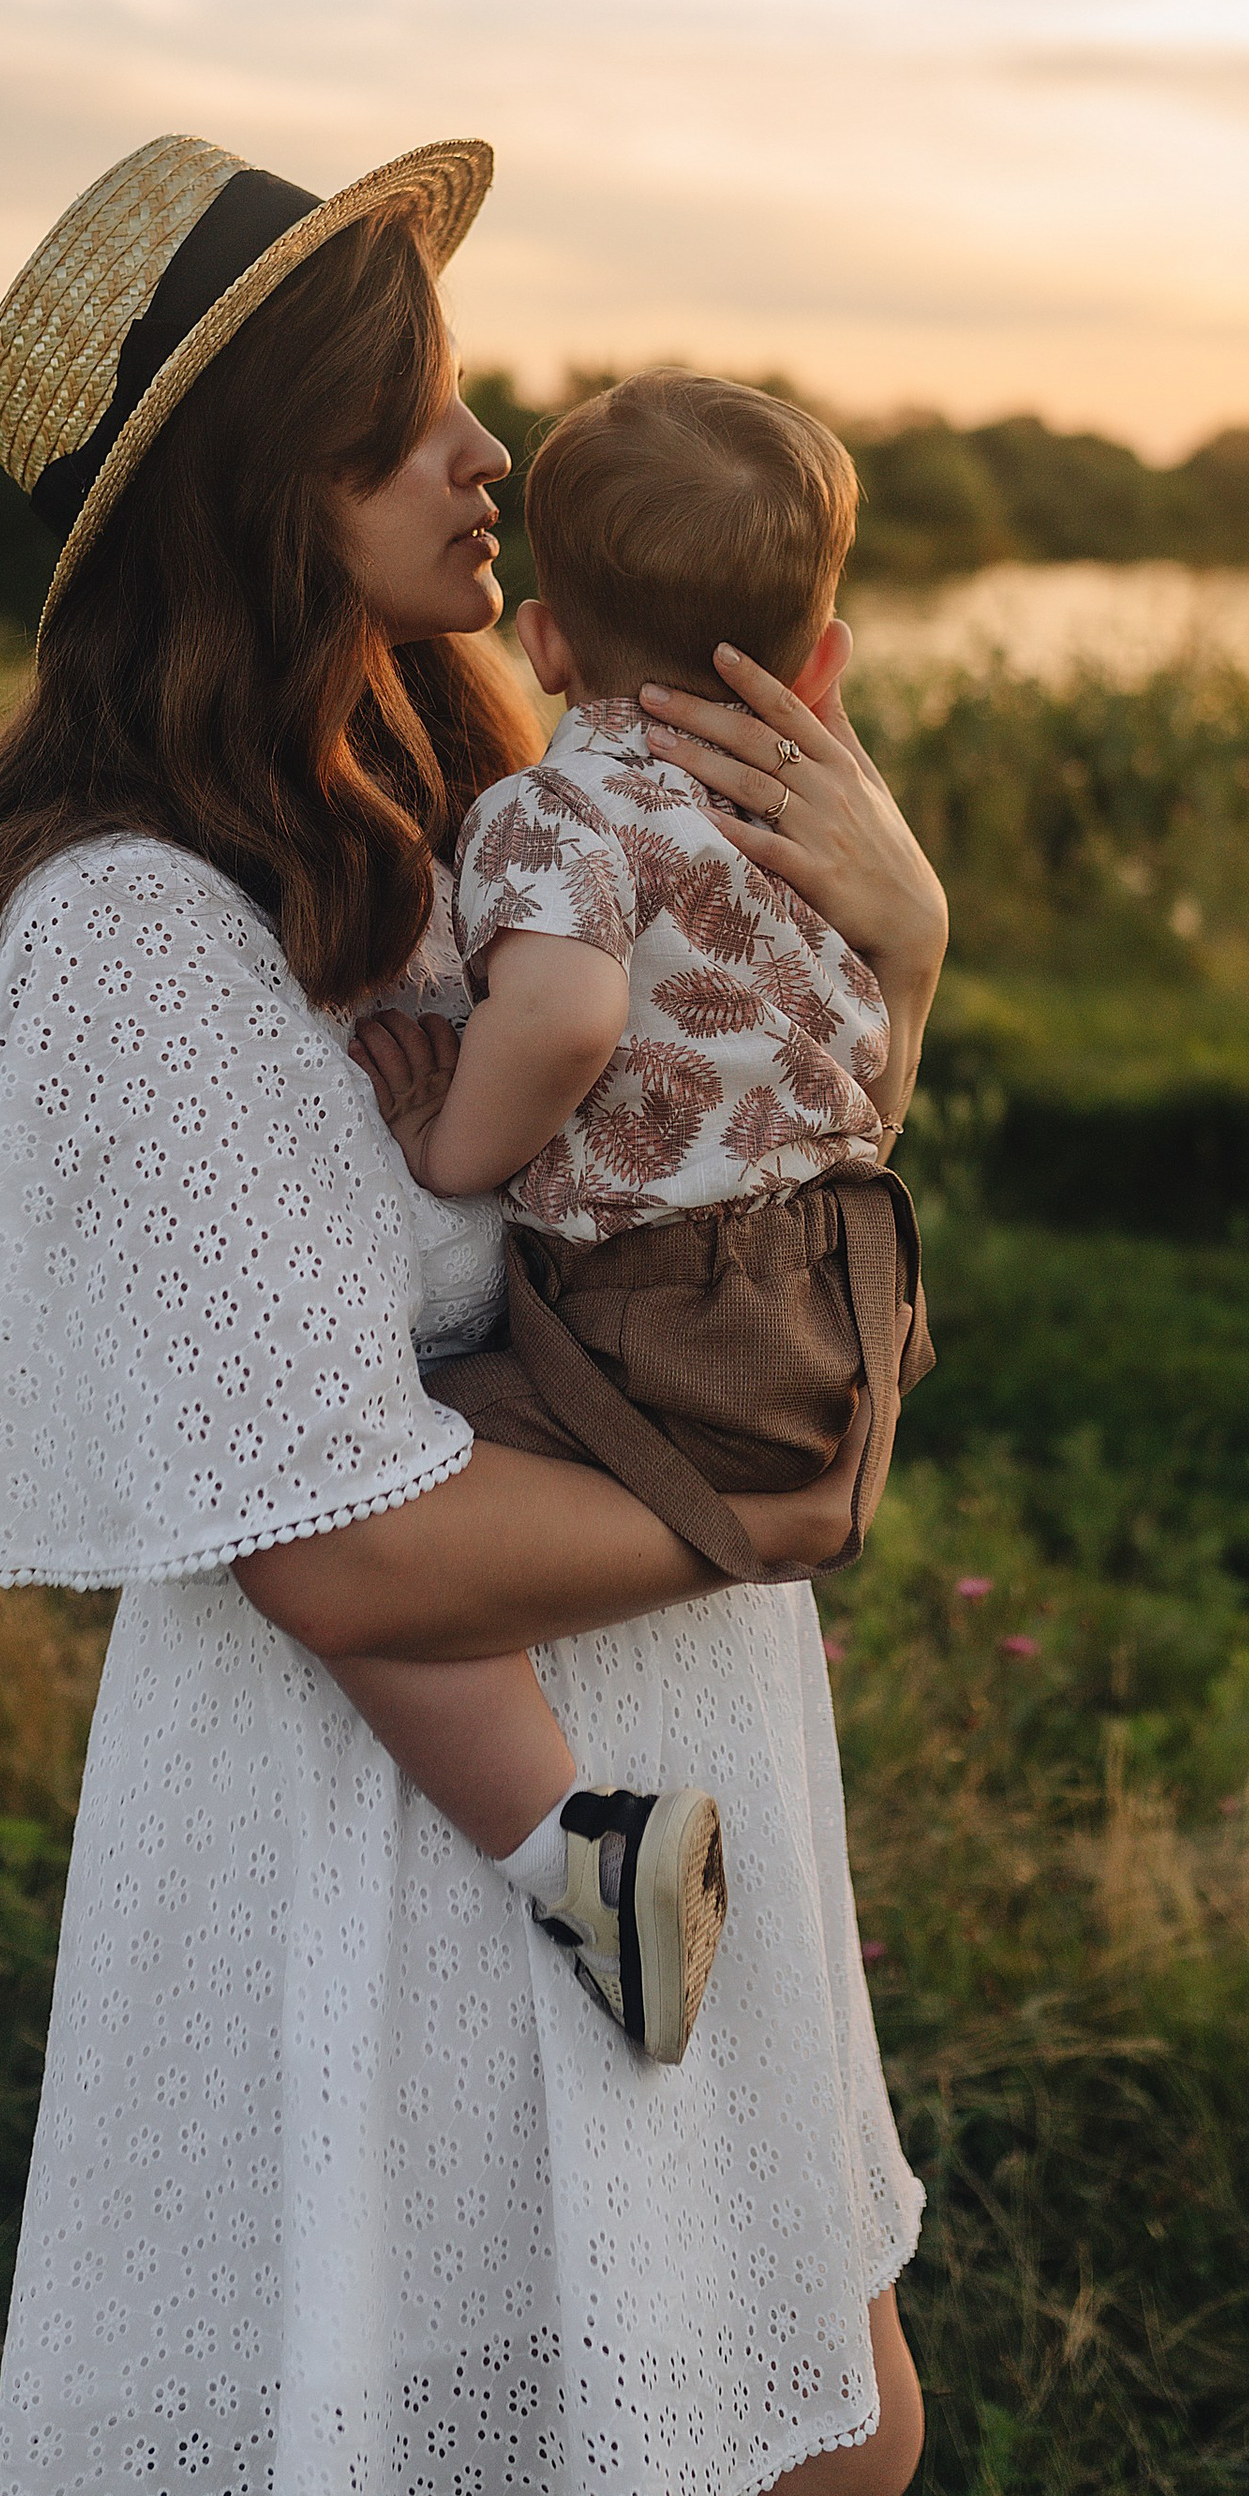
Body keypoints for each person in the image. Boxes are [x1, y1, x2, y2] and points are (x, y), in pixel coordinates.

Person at [0, 129, 949, 2496]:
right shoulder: (132, 939)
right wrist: (780, 1487)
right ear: (257, 492)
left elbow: (722, 1172)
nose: (484, 456)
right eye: (406, 419)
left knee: (807, 2463)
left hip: (668, 1778)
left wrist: (905, 945)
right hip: (413, 1908)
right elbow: (350, 1545)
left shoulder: (466, 794)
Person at [328, 373, 934, 2072]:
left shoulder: (554, 804)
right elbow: (849, 1045)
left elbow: (572, 1018)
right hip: (853, 1274)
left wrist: (451, 1138)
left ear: (542, 642)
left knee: (356, 1511)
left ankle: (581, 1858)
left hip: (677, 1306)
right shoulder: (805, 813)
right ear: (816, 658)